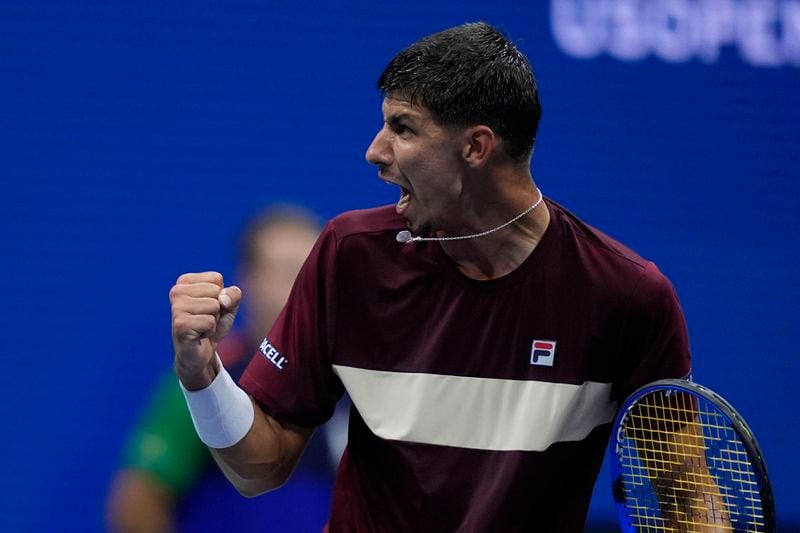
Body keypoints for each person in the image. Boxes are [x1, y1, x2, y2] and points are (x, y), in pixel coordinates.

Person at [169, 23, 692, 531]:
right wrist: (202, 375)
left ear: (476, 147)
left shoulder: (626, 298)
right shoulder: (351, 257)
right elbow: (260, 467)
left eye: (403, 128)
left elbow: (685, 499)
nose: (375, 152)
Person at [108, 207, 343, 533]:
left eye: (315, 271)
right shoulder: (204, 377)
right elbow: (137, 502)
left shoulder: (350, 380)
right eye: (290, 270)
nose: (306, 285)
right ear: (250, 280)